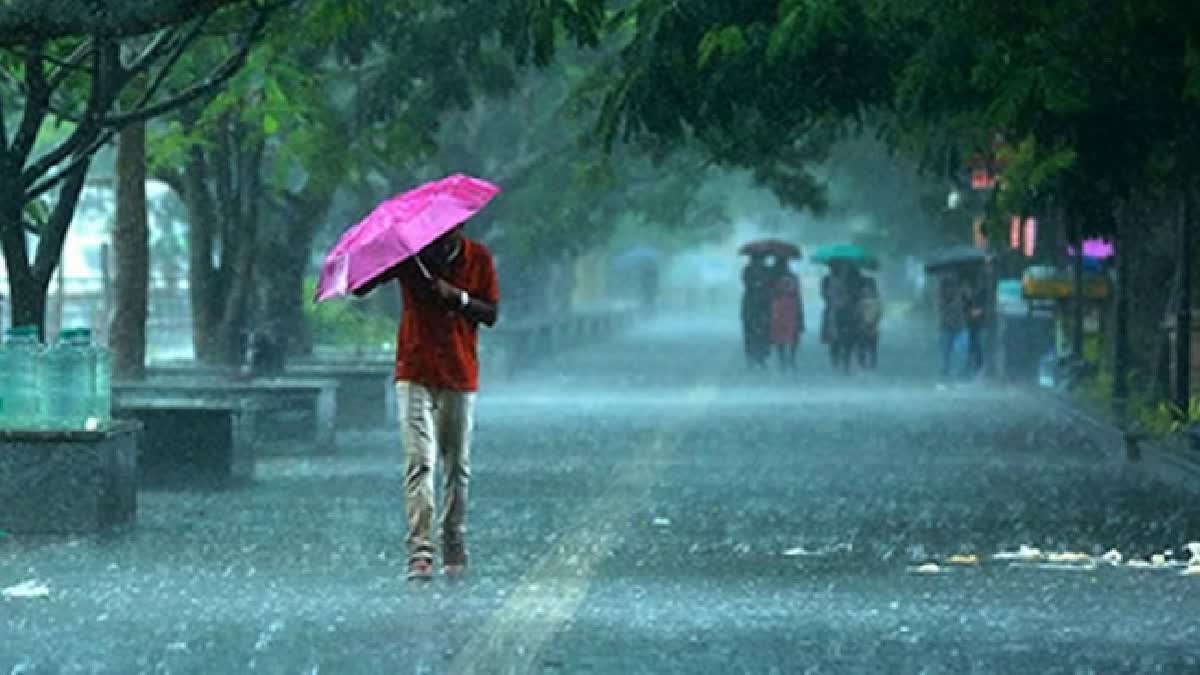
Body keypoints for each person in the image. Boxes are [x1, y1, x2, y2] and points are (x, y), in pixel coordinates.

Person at [355, 224, 499, 580]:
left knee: (457, 466)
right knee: (419, 461)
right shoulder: (410, 257)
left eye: (448, 232)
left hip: (460, 373)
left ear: (461, 228)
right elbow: (361, 287)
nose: (440, 237)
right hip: (415, 370)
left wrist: (459, 298)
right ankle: (420, 550)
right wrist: (380, 254)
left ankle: (453, 539)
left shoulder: (477, 257)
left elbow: (491, 314)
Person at [768, 256, 804, 369]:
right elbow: (797, 294)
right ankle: (790, 357)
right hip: (789, 307)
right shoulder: (791, 277)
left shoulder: (774, 278)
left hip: (780, 308)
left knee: (782, 334)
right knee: (791, 333)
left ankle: (784, 358)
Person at [741, 254, 772, 369]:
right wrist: (757, 284)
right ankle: (751, 356)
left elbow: (771, 283)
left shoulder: (767, 270)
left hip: (764, 304)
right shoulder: (747, 270)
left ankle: (761, 357)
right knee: (750, 332)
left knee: (764, 332)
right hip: (751, 304)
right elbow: (746, 283)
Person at [938, 274, 965, 378]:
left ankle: (954, 372)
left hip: (958, 326)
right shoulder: (942, 298)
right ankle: (945, 372)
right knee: (945, 352)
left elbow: (961, 309)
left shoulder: (959, 294)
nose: (950, 289)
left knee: (958, 351)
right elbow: (945, 310)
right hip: (946, 326)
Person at [857, 276, 882, 369]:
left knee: (872, 347)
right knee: (863, 346)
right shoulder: (862, 301)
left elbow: (879, 314)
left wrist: (872, 323)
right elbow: (859, 313)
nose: (867, 290)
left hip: (872, 327)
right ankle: (863, 364)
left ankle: (871, 364)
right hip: (864, 326)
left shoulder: (876, 301)